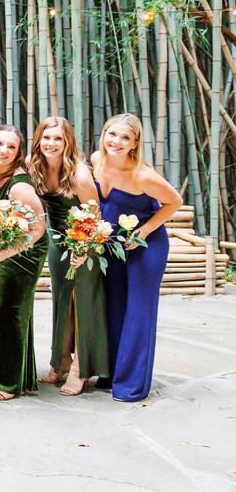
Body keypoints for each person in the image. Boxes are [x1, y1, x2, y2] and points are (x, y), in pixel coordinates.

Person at [92, 113, 182, 402]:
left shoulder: (141, 175)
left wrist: (144, 231)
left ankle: (131, 385)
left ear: (135, 144)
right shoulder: (96, 160)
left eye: (125, 138)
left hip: (146, 244)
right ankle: (111, 371)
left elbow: (174, 202)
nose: (116, 142)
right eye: (112, 134)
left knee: (138, 312)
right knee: (113, 305)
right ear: (104, 134)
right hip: (114, 241)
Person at [30, 116, 109, 396]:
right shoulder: (35, 167)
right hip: (57, 244)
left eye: (58, 138)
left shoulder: (79, 174)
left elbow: (95, 216)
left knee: (82, 302)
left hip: (83, 243)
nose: (51, 144)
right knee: (61, 300)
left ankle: (81, 369)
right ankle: (61, 361)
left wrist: (84, 250)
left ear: (68, 142)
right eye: (46, 137)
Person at [0, 125, 49, 401]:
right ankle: (5, 371)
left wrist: (7, 253)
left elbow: (38, 228)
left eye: (11, 147)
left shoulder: (18, 185)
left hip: (22, 252)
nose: (2, 151)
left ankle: (8, 383)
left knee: (8, 312)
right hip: (1, 247)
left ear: (19, 153)